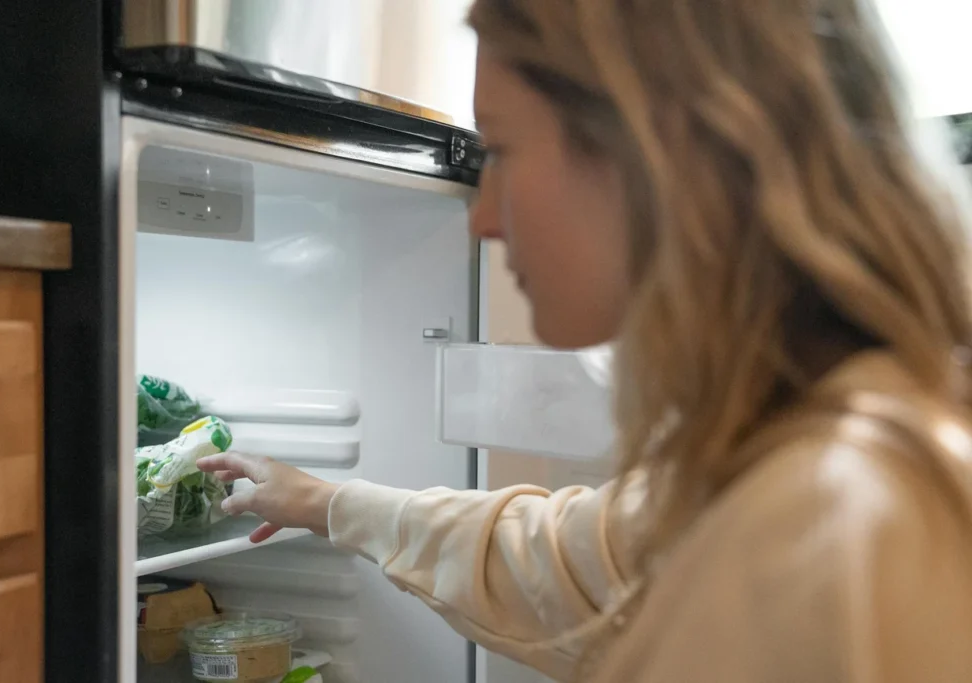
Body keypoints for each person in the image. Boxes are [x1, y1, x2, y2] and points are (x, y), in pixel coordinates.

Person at [199, 0, 972, 680]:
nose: (481, 218)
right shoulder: (796, 450)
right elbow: (573, 561)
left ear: (654, 152)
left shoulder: (831, 518)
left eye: (502, 150)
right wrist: (327, 501)